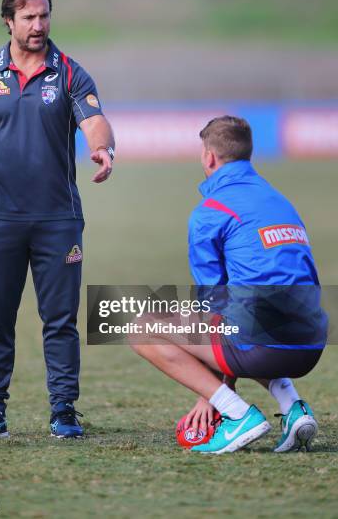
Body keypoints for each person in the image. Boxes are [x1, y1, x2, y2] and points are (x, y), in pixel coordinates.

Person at [0, 0, 115, 439]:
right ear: (8, 22)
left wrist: (103, 150)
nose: (39, 25)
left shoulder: (71, 73)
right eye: (29, 18)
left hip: (57, 221)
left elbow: (95, 121)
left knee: (59, 321)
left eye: (44, 16)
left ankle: (64, 411)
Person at [130, 116, 327, 454]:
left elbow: (214, 305)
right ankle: (293, 407)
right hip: (312, 344)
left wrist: (213, 396)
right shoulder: (280, 201)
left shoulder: (210, 211)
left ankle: (240, 416)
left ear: (209, 157)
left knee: (140, 327)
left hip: (263, 347)